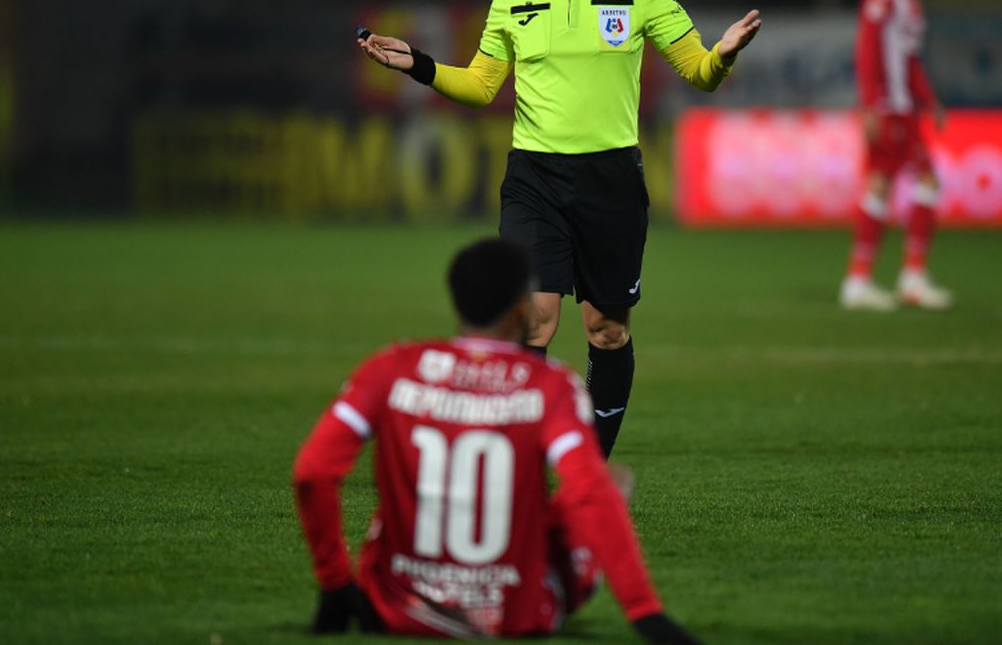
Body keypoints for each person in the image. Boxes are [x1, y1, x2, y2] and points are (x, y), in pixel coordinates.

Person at [357, 0, 762, 457]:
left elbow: (698, 72)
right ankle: (522, 458)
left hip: (611, 181)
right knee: (533, 319)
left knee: (607, 329)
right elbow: (481, 85)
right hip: (535, 179)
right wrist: (418, 64)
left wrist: (721, 56)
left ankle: (588, 467)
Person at [294, 237, 703, 644]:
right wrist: (643, 611)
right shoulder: (550, 386)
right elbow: (589, 493)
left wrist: (334, 583)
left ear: (456, 303)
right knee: (610, 482)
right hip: (514, 612)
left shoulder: (392, 368)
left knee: (394, 505)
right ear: (522, 305)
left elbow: (312, 472)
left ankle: (417, 583)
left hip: (395, 607)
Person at [840, 0, 954, 312]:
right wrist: (870, 103)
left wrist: (929, 100)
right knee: (913, 181)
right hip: (889, 108)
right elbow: (867, 48)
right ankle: (903, 277)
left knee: (889, 184)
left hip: (903, 108)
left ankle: (866, 279)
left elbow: (909, 60)